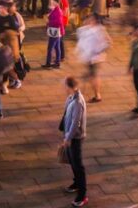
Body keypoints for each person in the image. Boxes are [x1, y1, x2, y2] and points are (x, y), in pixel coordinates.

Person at [60, 76, 87, 208]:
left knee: (78, 165)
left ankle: (82, 196)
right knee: (72, 161)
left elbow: (76, 123)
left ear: (70, 87)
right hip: (69, 136)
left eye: (65, 86)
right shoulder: (71, 97)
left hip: (75, 138)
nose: (64, 88)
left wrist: (68, 138)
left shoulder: (78, 102)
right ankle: (76, 183)